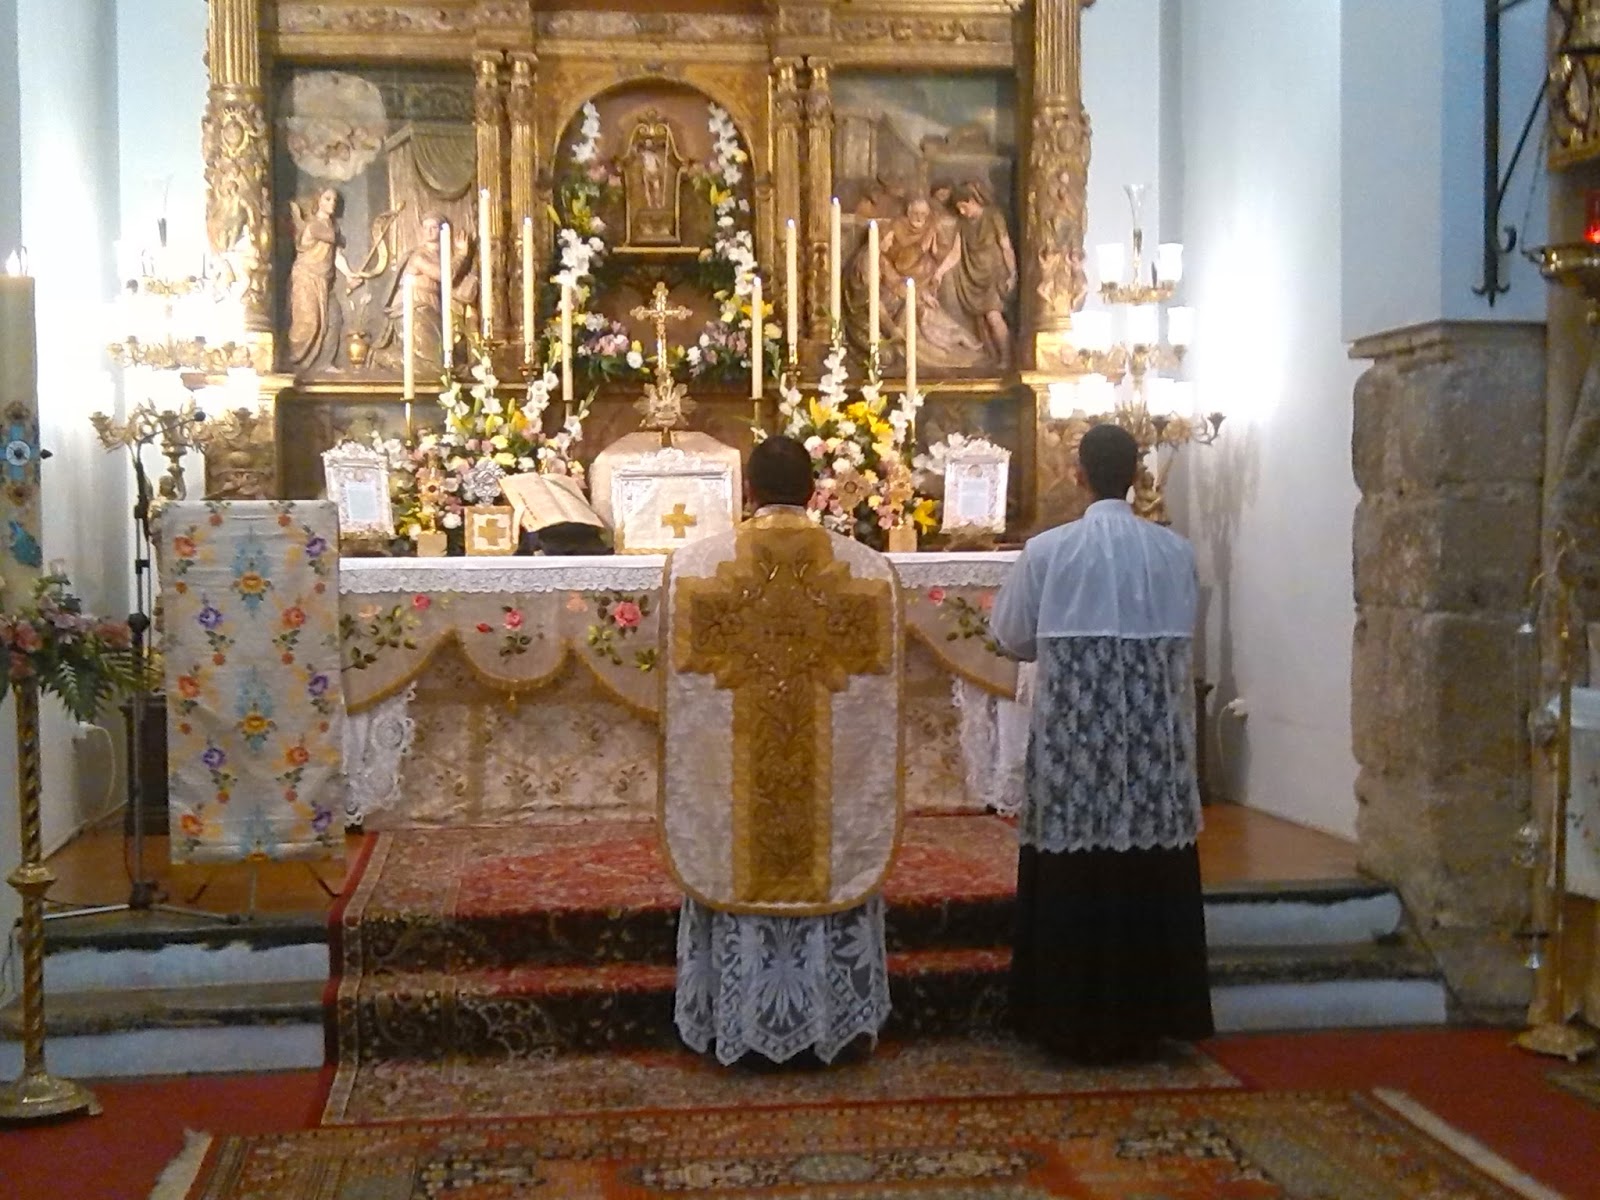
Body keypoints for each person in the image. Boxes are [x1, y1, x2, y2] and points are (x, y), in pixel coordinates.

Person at [660, 435, 904, 1067]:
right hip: (822, 782)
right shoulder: (868, 572)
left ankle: (735, 1017)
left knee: (742, 833)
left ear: (747, 490)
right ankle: (832, 1019)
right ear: (815, 490)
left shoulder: (694, 569)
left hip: (744, 788)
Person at [988, 422, 1213, 1063]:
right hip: (1151, 752)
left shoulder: (1048, 551)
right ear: (1137, 473)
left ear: (1078, 474)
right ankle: (1153, 1015)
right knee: (1148, 863)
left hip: (1076, 751)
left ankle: (1067, 1016)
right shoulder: (1176, 552)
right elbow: (1182, 631)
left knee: (1075, 869)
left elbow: (1010, 636)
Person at [286, 187, 360, 370]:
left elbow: (336, 256)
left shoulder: (331, 226)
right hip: (306, 279)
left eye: (334, 200)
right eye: (327, 199)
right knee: (308, 323)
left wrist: (349, 274)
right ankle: (294, 362)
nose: (332, 203)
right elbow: (334, 238)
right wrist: (340, 238)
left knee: (334, 318)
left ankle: (325, 362)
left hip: (325, 281)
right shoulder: (314, 225)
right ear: (318, 200)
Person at [949, 180, 1018, 371]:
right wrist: (938, 273)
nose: (962, 211)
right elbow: (955, 253)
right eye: (959, 208)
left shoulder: (993, 216)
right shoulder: (963, 224)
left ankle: (1007, 357)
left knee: (994, 317)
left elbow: (1005, 246)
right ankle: (995, 355)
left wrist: (1012, 273)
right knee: (984, 322)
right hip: (976, 276)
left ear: (973, 200)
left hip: (994, 276)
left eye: (964, 207)